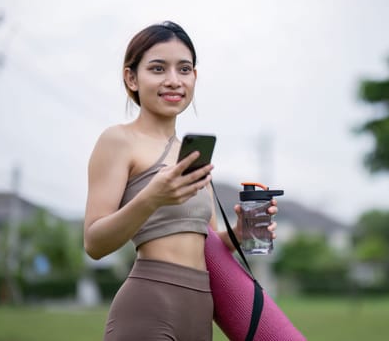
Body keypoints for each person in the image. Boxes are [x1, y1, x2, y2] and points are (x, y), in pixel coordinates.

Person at [83, 21, 279, 341]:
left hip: (200, 312)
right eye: (158, 69)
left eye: (184, 69)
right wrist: (152, 197)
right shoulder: (118, 141)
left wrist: (238, 234)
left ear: (194, 77)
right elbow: (94, 243)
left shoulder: (189, 153)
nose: (173, 81)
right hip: (148, 308)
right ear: (131, 77)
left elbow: (206, 244)